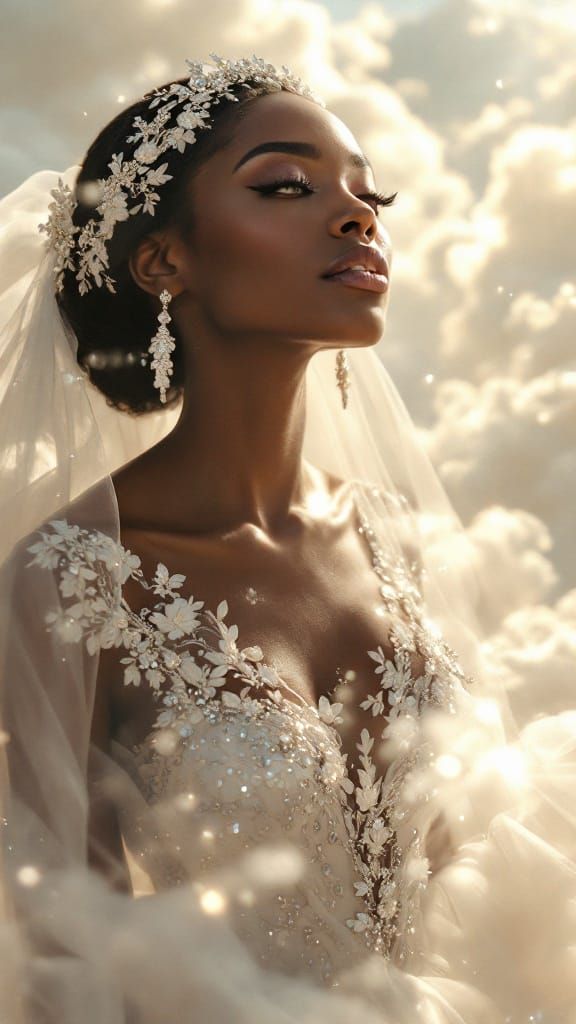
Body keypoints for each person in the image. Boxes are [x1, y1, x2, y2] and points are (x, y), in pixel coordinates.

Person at [1, 56, 575, 1024]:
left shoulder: (402, 539)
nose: (357, 216)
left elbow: (496, 865)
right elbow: (67, 964)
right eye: (286, 186)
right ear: (162, 260)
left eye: (367, 192)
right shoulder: (77, 577)